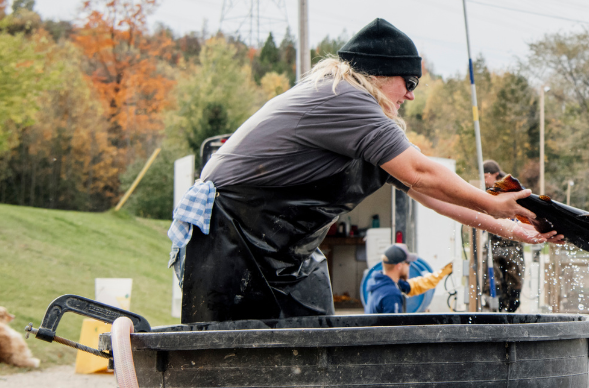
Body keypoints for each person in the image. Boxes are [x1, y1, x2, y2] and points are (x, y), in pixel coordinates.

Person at [169, 18, 562, 323]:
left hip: (290, 255)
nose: (410, 94)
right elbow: (423, 173)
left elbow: (432, 196)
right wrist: (499, 206)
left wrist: (515, 229)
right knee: (233, 362)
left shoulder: (368, 119)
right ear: (377, 73)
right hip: (230, 240)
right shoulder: (343, 97)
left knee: (317, 356)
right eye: (408, 82)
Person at [483, 160, 526, 312]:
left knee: (515, 278)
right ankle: (495, 304)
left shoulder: (510, 188)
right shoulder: (485, 192)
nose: (484, 180)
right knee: (492, 278)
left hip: (512, 239)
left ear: (495, 174)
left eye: (486, 176)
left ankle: (512, 303)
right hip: (493, 240)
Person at [364, 243, 453, 314]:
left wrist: (441, 273)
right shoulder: (391, 294)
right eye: (408, 263)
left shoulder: (380, 283)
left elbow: (416, 285)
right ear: (399, 266)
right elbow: (393, 332)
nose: (409, 266)